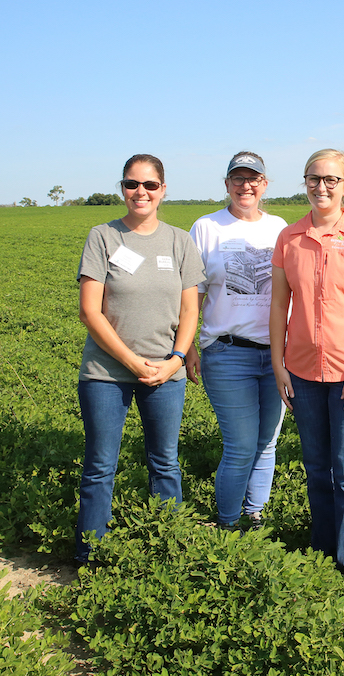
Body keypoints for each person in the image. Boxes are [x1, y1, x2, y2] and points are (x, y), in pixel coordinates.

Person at [75, 154, 205, 562]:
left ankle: (169, 550)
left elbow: (190, 312)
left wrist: (176, 360)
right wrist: (132, 362)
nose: (141, 192)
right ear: (123, 189)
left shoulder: (179, 241)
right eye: (132, 184)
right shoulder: (103, 237)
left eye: (150, 185)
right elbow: (89, 311)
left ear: (163, 189)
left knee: (164, 461)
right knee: (100, 464)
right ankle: (90, 555)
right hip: (105, 373)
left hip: (167, 372)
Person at [270, 149, 344, 570]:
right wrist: (279, 363)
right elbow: (279, 305)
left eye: (331, 180)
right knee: (317, 467)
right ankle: (323, 553)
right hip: (302, 371)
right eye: (314, 179)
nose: (322, 187)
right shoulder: (290, 238)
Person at [187, 152, 287, 532]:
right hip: (228, 353)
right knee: (241, 445)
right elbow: (192, 293)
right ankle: (228, 523)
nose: (246, 185)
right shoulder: (207, 227)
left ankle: (255, 514)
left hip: (275, 355)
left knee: (266, 443)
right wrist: (189, 346)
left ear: (264, 184)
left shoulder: (279, 228)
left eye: (254, 178)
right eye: (237, 178)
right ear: (226, 184)